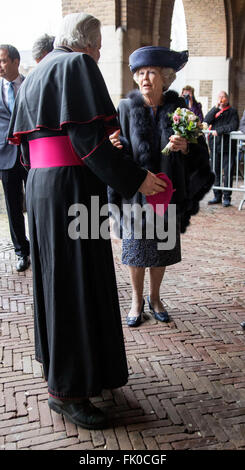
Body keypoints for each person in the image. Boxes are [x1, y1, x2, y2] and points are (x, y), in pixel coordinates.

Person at [8, 13, 166, 429]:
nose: (98, 54)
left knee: (58, 280)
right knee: (76, 282)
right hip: (73, 190)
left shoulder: (37, 72)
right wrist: (137, 179)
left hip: (44, 190)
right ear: (88, 43)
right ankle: (68, 393)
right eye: (99, 47)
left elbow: (29, 147)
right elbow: (86, 141)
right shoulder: (77, 65)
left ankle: (76, 371)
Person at [108, 46, 214, 328]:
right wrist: (113, 146)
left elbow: (200, 154)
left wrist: (187, 147)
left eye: (151, 72)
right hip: (136, 192)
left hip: (168, 193)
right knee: (134, 248)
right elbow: (116, 147)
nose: (145, 78)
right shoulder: (126, 108)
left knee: (160, 249)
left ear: (165, 77)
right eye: (140, 73)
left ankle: (155, 298)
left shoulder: (180, 109)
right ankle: (136, 299)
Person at [0, 44, 30, 272]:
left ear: (15, 61)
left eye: (2, 61)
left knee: (36, 203)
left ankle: (39, 247)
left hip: (31, 154)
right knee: (12, 207)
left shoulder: (30, 84)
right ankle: (22, 251)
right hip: (5, 155)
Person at [204, 91, 239, 207]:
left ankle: (227, 197)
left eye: (223, 97)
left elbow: (233, 126)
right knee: (216, 171)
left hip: (228, 147)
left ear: (227, 99)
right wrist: (215, 108)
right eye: (219, 97)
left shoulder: (232, 112)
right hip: (215, 146)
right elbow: (206, 121)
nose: (221, 99)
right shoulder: (215, 111)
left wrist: (219, 131)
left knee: (228, 172)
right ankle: (217, 195)